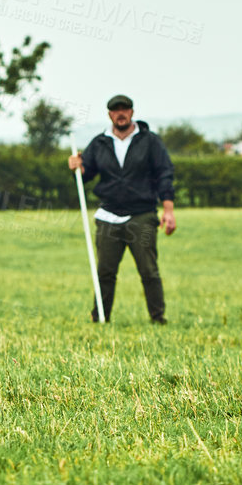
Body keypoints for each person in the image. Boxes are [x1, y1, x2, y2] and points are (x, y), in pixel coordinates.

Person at [67, 94, 176, 324]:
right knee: (105, 272)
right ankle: (100, 318)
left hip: (142, 215)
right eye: (116, 110)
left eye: (124, 109)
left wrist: (168, 210)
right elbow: (85, 174)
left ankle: (158, 317)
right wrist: (77, 167)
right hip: (108, 216)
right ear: (110, 115)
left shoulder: (150, 141)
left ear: (132, 112)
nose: (121, 113)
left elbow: (164, 174)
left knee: (148, 271)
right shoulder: (100, 142)